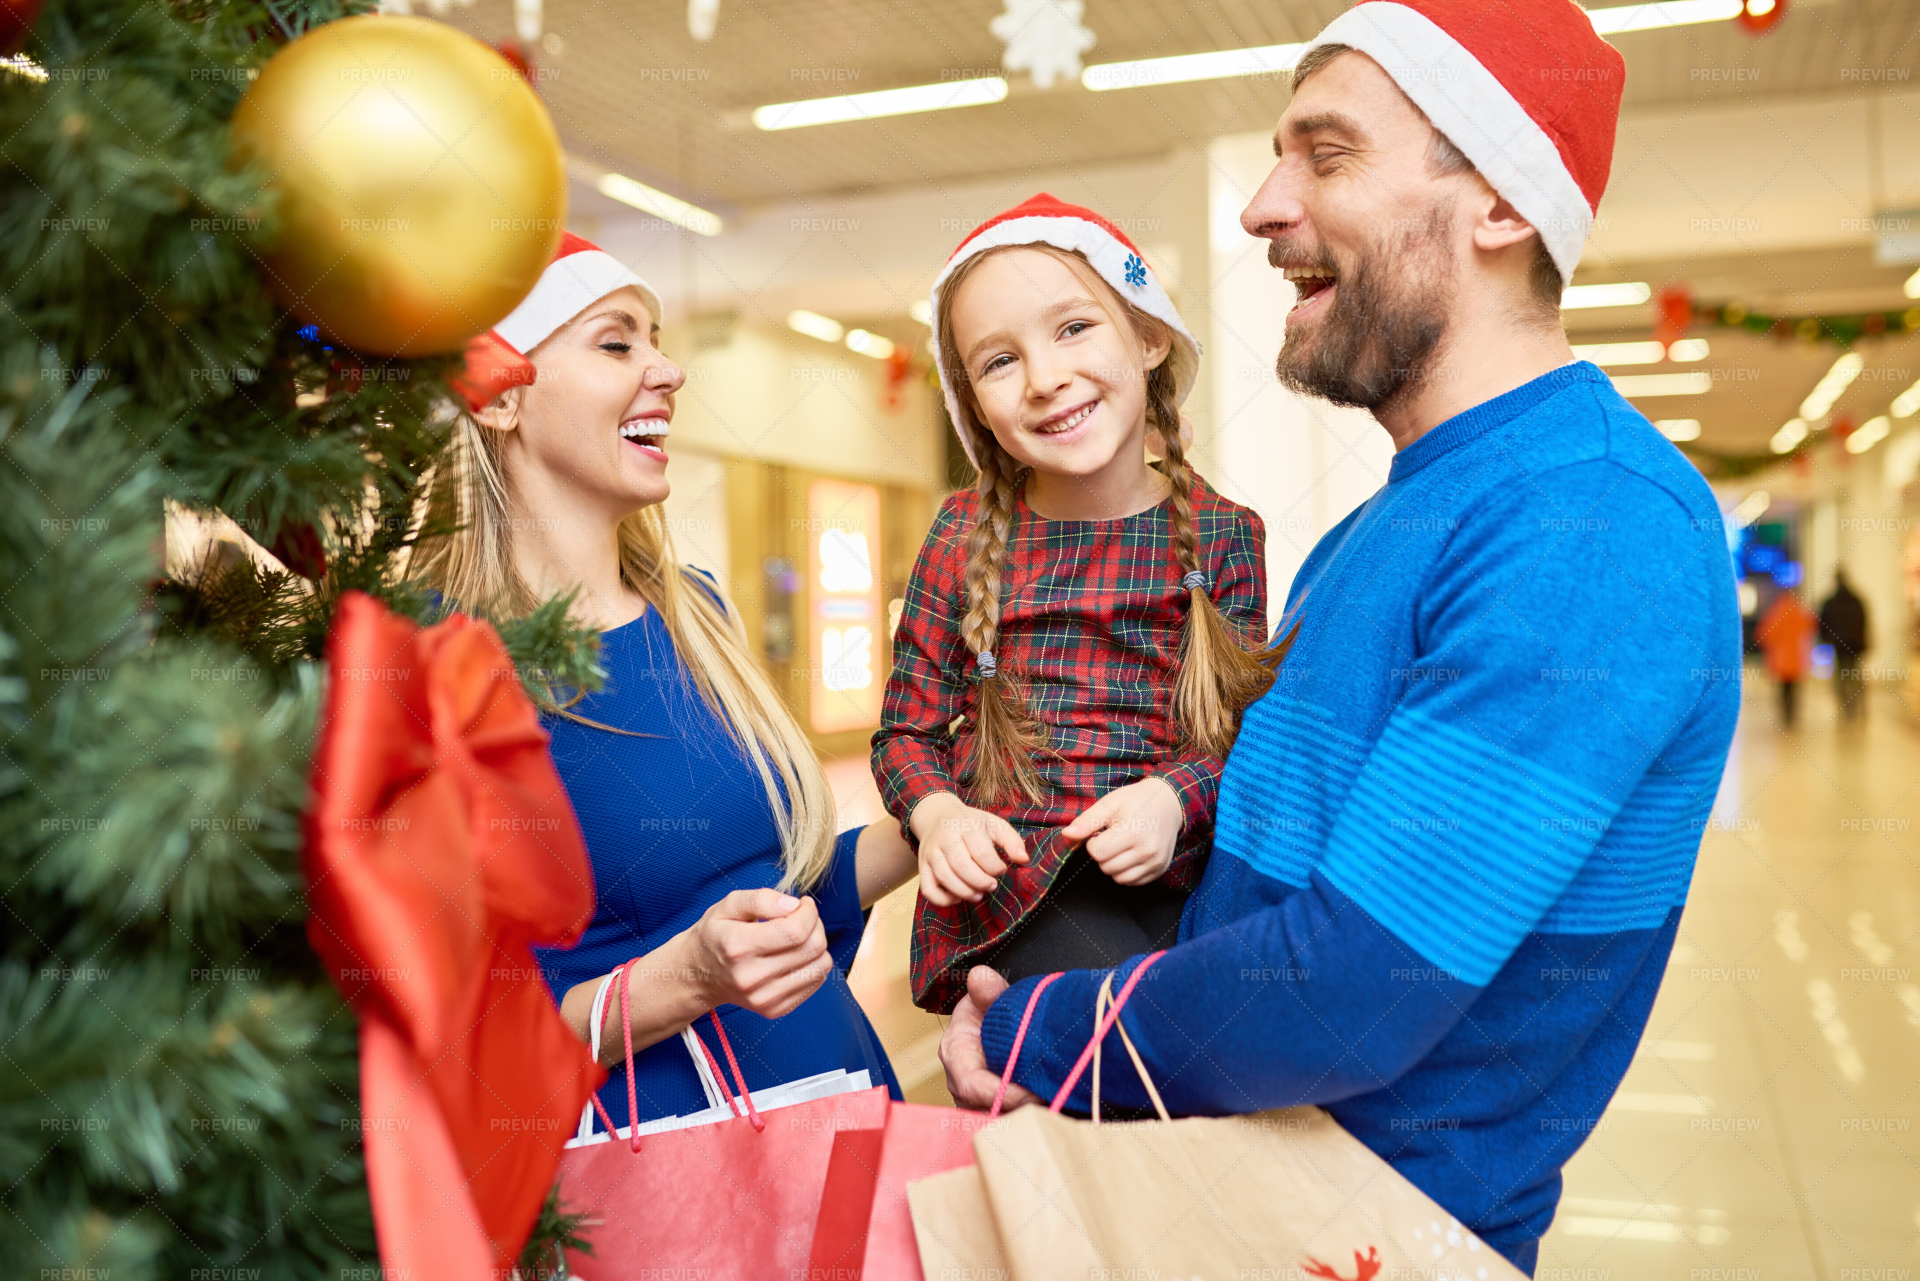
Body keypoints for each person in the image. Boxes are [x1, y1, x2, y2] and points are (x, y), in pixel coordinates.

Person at [936, 0, 1742, 1271]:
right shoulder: (1385, 525)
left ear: (1499, 203)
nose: (1261, 204)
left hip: (1360, 1233)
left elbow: (1351, 989)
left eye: (1326, 154)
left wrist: (1041, 1029)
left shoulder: (1588, 520)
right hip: (1226, 1176)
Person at [411, 234, 917, 1133]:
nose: (669, 369)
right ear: (501, 394)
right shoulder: (436, 661)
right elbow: (462, 1040)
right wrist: (685, 978)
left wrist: (925, 828)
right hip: (661, 1185)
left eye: (658, 339)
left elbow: (768, 893)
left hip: (839, 1119)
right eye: (618, 343)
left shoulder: (695, 614)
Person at [871, 195, 1272, 1014]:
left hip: (1171, 894)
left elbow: (1240, 740)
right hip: (1011, 903)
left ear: (1150, 336)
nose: (1047, 378)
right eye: (998, 361)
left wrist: (1171, 798)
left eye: (1074, 328)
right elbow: (905, 732)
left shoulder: (1227, 535)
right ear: (973, 403)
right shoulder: (959, 535)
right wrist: (941, 815)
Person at [1757, 587, 1816, 727]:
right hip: (1797, 658)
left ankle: (1785, 715)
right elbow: (1811, 626)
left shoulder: (1776, 612)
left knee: (1783, 690)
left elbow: (1764, 634)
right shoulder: (1799, 612)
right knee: (1794, 689)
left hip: (1780, 658)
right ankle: (1793, 714)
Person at [1819, 568, 1869, 720]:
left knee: (1841, 678)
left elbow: (1823, 624)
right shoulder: (1856, 600)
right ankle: (1859, 708)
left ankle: (1846, 710)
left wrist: (1826, 639)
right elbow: (1864, 622)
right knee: (1855, 676)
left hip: (1839, 646)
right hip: (1855, 645)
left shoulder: (1830, 601)